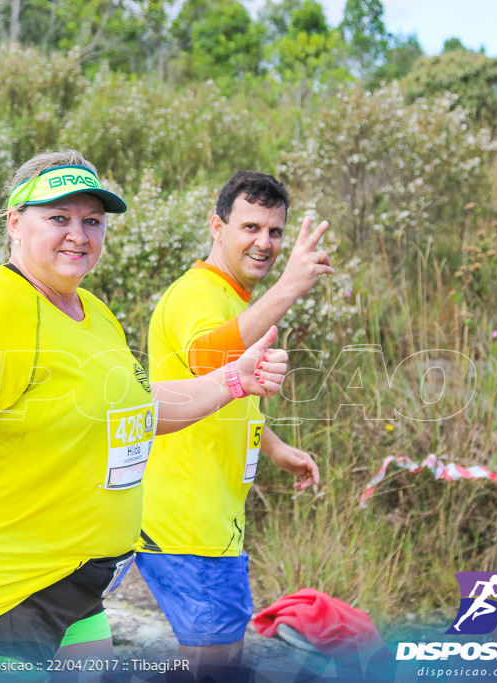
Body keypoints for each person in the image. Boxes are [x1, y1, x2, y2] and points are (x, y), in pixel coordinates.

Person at [0, 151, 291, 669]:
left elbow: (139, 410)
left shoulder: (95, 312)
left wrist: (231, 381)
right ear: (16, 223)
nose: (78, 235)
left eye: (92, 221)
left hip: (78, 590)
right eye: (58, 218)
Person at [136, 171, 332, 680]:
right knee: (216, 664)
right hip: (187, 526)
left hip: (210, 523)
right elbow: (209, 362)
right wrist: (290, 285)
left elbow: (223, 392)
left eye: (274, 232)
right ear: (216, 227)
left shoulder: (234, 300)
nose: (263, 243)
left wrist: (273, 447)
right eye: (250, 227)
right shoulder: (199, 295)